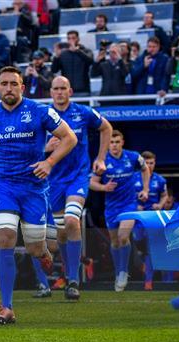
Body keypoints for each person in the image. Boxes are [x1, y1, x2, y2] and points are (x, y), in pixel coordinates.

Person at [0, 66, 76, 324]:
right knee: (6, 238)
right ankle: (6, 307)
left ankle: (43, 252)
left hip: (33, 189)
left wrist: (50, 162)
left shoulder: (39, 111)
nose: (9, 88)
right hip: (4, 188)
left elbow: (69, 137)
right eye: (4, 84)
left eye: (14, 83)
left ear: (22, 87)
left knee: (35, 247)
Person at [47, 76, 112, 300]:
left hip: (78, 177)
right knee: (62, 233)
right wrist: (47, 147)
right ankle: (67, 275)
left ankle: (74, 280)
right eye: (56, 88)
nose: (59, 92)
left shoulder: (83, 113)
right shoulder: (44, 114)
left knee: (73, 221)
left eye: (63, 88)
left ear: (71, 90)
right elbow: (33, 145)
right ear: (51, 92)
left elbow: (106, 127)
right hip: (52, 180)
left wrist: (101, 158)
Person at [89, 130, 149, 292]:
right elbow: (91, 183)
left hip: (129, 204)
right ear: (108, 144)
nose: (114, 145)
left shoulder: (133, 157)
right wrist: (104, 187)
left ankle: (124, 272)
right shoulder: (102, 162)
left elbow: (145, 169)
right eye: (111, 142)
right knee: (115, 241)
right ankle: (118, 272)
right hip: (111, 207)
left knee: (123, 236)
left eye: (117, 142)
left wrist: (145, 189)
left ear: (122, 142)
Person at [133, 151, 169, 290]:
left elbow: (165, 196)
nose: (149, 166)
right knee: (138, 243)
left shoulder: (160, 180)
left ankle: (148, 281)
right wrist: (135, 206)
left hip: (153, 218)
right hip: (138, 218)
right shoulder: (134, 178)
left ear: (155, 163)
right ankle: (145, 263)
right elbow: (127, 195)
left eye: (151, 163)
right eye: (146, 163)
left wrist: (160, 205)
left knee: (150, 249)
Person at [51, 30, 94, 96]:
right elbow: (54, 70)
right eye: (69, 38)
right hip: (66, 90)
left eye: (73, 38)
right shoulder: (63, 54)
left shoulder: (86, 51)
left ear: (78, 39)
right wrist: (56, 56)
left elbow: (90, 61)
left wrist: (77, 51)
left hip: (83, 90)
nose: (71, 40)